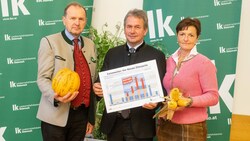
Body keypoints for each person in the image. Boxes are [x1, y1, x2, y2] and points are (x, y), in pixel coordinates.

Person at [93, 9, 166, 141]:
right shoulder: (112, 53)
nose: (132, 31)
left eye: (137, 27)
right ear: (124, 28)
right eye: (129, 26)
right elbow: (101, 82)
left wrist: (157, 102)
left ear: (145, 30)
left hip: (141, 124)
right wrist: (97, 89)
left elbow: (163, 89)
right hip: (113, 124)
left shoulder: (156, 56)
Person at [36, 2, 97, 141]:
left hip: (81, 117)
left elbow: (91, 81)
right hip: (55, 116)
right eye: (72, 18)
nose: (77, 22)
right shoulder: (49, 42)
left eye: (81, 19)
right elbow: (42, 78)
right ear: (64, 20)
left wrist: (91, 118)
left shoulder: (91, 44)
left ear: (85, 21)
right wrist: (55, 96)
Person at [157, 17, 219, 141]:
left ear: (197, 38)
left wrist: (188, 101)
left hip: (192, 127)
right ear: (177, 36)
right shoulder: (169, 61)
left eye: (191, 35)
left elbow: (213, 97)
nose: (186, 38)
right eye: (182, 34)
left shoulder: (204, 63)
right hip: (166, 123)